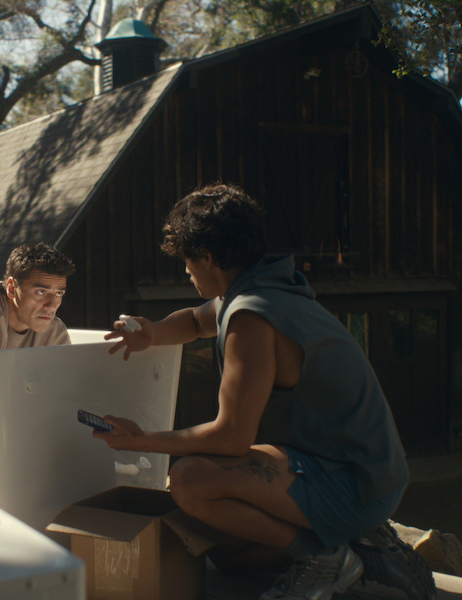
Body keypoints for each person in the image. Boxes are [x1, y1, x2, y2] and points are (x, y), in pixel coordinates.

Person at [95, 184, 434, 600]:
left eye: (187, 259)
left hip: (355, 483)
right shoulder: (261, 287)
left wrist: (141, 440)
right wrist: (152, 333)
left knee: (189, 480)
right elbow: (197, 321)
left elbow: (231, 438)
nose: (186, 270)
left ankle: (325, 557)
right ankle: (363, 549)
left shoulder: (252, 319)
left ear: (208, 257)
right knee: (230, 553)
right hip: (359, 470)